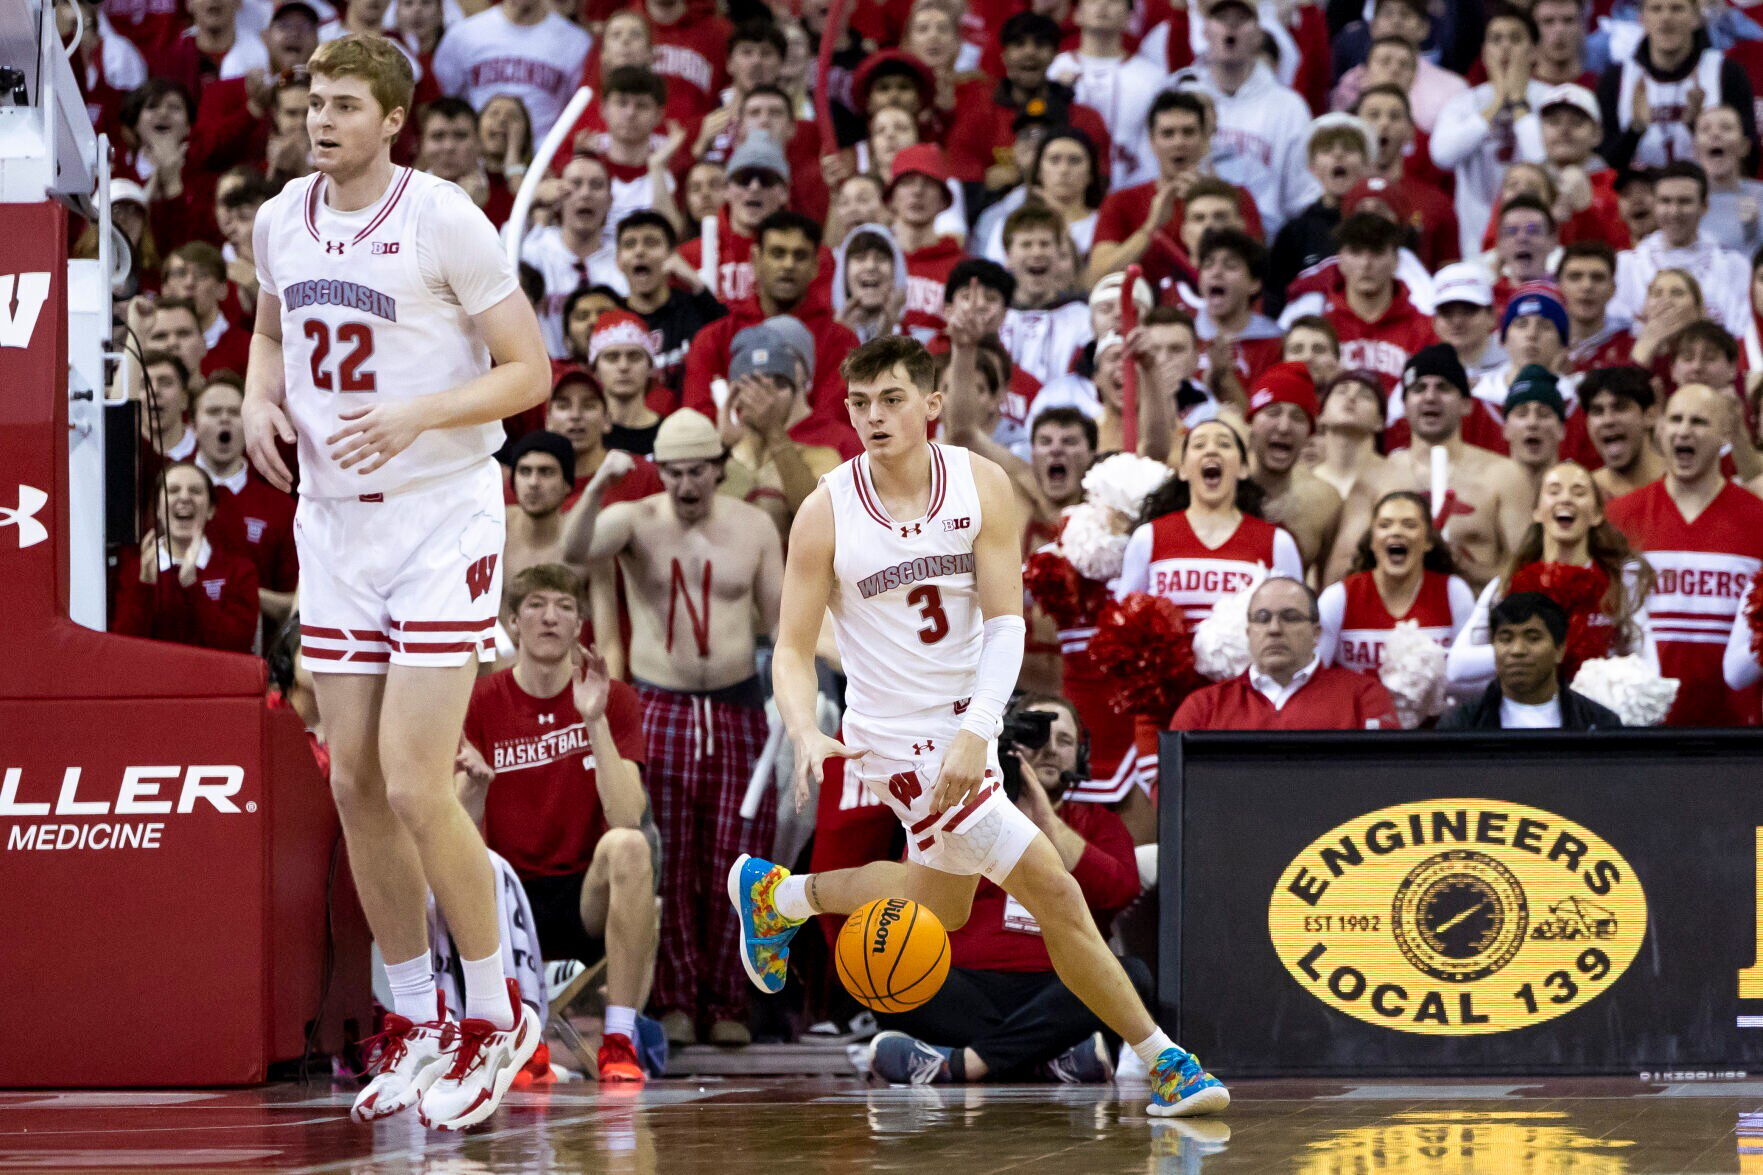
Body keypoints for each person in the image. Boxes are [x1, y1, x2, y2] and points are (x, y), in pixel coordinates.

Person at [724, 335, 1230, 1118]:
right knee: (1053, 889)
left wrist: (977, 729)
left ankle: (781, 895)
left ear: (932, 404)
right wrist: (802, 727)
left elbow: (1004, 624)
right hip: (894, 738)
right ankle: (1165, 1060)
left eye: (891, 399)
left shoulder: (980, 482)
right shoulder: (825, 511)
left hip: (966, 725)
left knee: (945, 905)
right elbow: (790, 649)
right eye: (859, 403)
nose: (873, 416)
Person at [241, 35, 552, 1130]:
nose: (319, 120)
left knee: (419, 780)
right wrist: (257, 398)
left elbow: (529, 371)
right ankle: (417, 1017)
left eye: (341, 105)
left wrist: (420, 410)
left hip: (438, 513)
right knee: (355, 784)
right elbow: (270, 331)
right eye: (311, 102)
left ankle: (496, 1009)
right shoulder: (280, 218)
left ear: (390, 121)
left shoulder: (442, 218)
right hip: (335, 523)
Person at [563, 408, 783, 1048]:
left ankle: (730, 1000)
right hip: (661, 703)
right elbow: (573, 550)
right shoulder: (635, 519)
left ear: (719, 468)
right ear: (659, 471)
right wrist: (599, 486)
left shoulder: (754, 526)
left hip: (738, 705)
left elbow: (781, 623)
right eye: (674, 473)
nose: (686, 486)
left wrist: (801, 698)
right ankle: (678, 999)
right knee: (672, 857)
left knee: (740, 856)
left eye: (698, 472)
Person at [865, 695, 1145, 1087]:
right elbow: (915, 897)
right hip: (965, 986)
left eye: (1064, 740)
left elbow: (1118, 892)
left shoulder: (1099, 823)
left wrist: (1047, 822)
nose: (1050, 748)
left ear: (1081, 755)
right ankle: (1047, 1061)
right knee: (881, 971)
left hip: (1062, 985)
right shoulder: (958, 812)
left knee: (1133, 975)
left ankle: (963, 1064)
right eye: (1037, 735)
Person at [455, 564, 657, 1085]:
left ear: (579, 626)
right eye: (536, 605)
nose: (550, 617)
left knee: (630, 846)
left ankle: (619, 1041)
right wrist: (473, 788)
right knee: (463, 861)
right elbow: (454, 831)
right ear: (512, 623)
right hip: (505, 898)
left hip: (584, 897)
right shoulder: (477, 701)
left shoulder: (613, 697)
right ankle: (506, 1035)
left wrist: (593, 718)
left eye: (564, 607)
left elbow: (626, 815)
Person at [1606, 384, 1763, 726]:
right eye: (1675, 419)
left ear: (1725, 434)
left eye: (1699, 421)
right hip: (1640, 728)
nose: (1684, 431)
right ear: (1660, 429)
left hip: (1739, 731)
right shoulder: (1619, 518)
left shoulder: (1758, 519)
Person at [1447, 460, 1656, 694]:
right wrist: (1526, 649)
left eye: (1579, 492)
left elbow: (1650, 672)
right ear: (1536, 511)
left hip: (1592, 712)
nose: (1565, 499)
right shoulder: (1506, 584)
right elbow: (1456, 667)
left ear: (1597, 514)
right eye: (1554, 491)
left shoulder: (1619, 585)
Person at [1385, 345, 1534, 592]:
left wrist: (1466, 569)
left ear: (1466, 404)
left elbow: (1528, 571)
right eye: (1419, 388)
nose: (1430, 397)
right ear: (1404, 404)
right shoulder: (1380, 476)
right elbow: (1349, 567)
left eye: (1443, 387)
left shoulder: (1504, 476)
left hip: (1475, 610)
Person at [1171, 575, 1401, 729]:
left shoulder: (1363, 697)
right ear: (1248, 632)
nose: (1274, 629)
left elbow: (1386, 779)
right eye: (1262, 618)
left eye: (1290, 617)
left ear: (1316, 633)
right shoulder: (1204, 707)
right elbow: (1172, 783)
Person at [1170, 0, 1315, 234]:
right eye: (1222, 19)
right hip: (1186, 233)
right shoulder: (1181, 96)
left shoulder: (1288, 107)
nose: (1231, 27)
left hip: (1265, 240)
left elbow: (1300, 197)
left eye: (1241, 20)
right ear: (1205, 30)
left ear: (1259, 34)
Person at [1430, 3, 1549, 257]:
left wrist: (1517, 103)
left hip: (1535, 243)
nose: (1505, 47)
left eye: (1515, 39)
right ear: (1484, 53)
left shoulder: (1551, 100)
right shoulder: (1464, 102)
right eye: (1496, 39)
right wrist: (1496, 104)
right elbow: (1442, 155)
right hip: (1476, 244)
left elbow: (1543, 162)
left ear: (1534, 52)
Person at [113, 461, 262, 654]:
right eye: (173, 490)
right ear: (158, 509)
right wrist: (145, 586)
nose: (184, 498)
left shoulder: (239, 571)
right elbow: (123, 648)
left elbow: (236, 644)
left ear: (211, 509)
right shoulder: (135, 569)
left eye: (195, 491)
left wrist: (192, 587)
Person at [1319, 491, 1475, 674]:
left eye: (1409, 525)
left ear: (1428, 541)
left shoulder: (1454, 593)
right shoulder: (1338, 597)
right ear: (1372, 541)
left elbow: (1470, 677)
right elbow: (1315, 675)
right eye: (1385, 525)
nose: (1396, 532)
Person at [1595, 0, 1758, 173]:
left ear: (1696, 18)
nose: (1666, 17)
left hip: (1708, 188)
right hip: (1639, 188)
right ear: (1641, 19)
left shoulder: (1727, 73)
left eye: (1677, 8)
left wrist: (1696, 127)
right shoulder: (1616, 79)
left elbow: (1749, 158)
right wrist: (1635, 130)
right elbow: (1602, 165)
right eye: (1656, 9)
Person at [189, 379, 298, 627]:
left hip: (255, 645)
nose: (224, 420)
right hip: (173, 645)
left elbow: (294, 604)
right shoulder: (167, 493)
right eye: (213, 412)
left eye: (235, 413)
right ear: (193, 425)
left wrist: (240, 592)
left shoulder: (280, 507)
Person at [1437, 592, 1626, 728]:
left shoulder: (1599, 723)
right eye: (1506, 639)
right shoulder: (1459, 725)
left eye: (1533, 638)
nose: (1517, 650)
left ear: (1559, 649)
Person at [1612, 162, 1753, 333]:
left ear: (1704, 206)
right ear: (1655, 205)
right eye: (1665, 201)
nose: (1674, 212)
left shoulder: (1735, 266)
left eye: (1684, 201)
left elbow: (1744, 332)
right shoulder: (1626, 266)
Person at [430, 0, 590, 139]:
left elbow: (579, 111)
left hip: (544, 155)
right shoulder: (463, 35)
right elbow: (446, 103)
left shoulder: (577, 42)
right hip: (477, 154)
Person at [1244, 362, 1342, 573]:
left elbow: (1326, 587)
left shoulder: (1323, 503)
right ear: (1251, 424)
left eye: (1298, 417)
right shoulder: (1218, 487)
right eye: (1273, 413)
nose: (1284, 427)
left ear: (1309, 433)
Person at [616, 210, 726, 397]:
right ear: (618, 260)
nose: (639, 251)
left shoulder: (697, 308)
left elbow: (728, 339)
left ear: (672, 255)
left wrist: (696, 283)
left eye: (651, 243)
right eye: (629, 244)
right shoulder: (615, 321)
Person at [523, 155, 622, 358]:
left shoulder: (624, 258)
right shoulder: (534, 249)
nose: (585, 194)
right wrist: (531, 200)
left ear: (610, 200)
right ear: (557, 196)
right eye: (575, 184)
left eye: (596, 185)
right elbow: (495, 262)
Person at [1583, 366, 1665, 498]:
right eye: (1597, 411)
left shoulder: (1683, 483)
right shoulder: (1584, 494)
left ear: (1650, 415)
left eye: (1620, 408)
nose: (1608, 420)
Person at [1558, 242, 1636, 373]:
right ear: (1559, 286)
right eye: (1575, 277)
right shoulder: (1541, 345)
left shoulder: (1631, 347)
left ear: (1613, 289)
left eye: (1598, 278)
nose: (1587, 286)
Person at [1502, 364, 1570, 499]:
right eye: (1522, 414)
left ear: (1561, 430)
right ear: (1505, 429)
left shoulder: (1581, 494)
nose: (1532, 423)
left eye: (1544, 414)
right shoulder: (1487, 495)